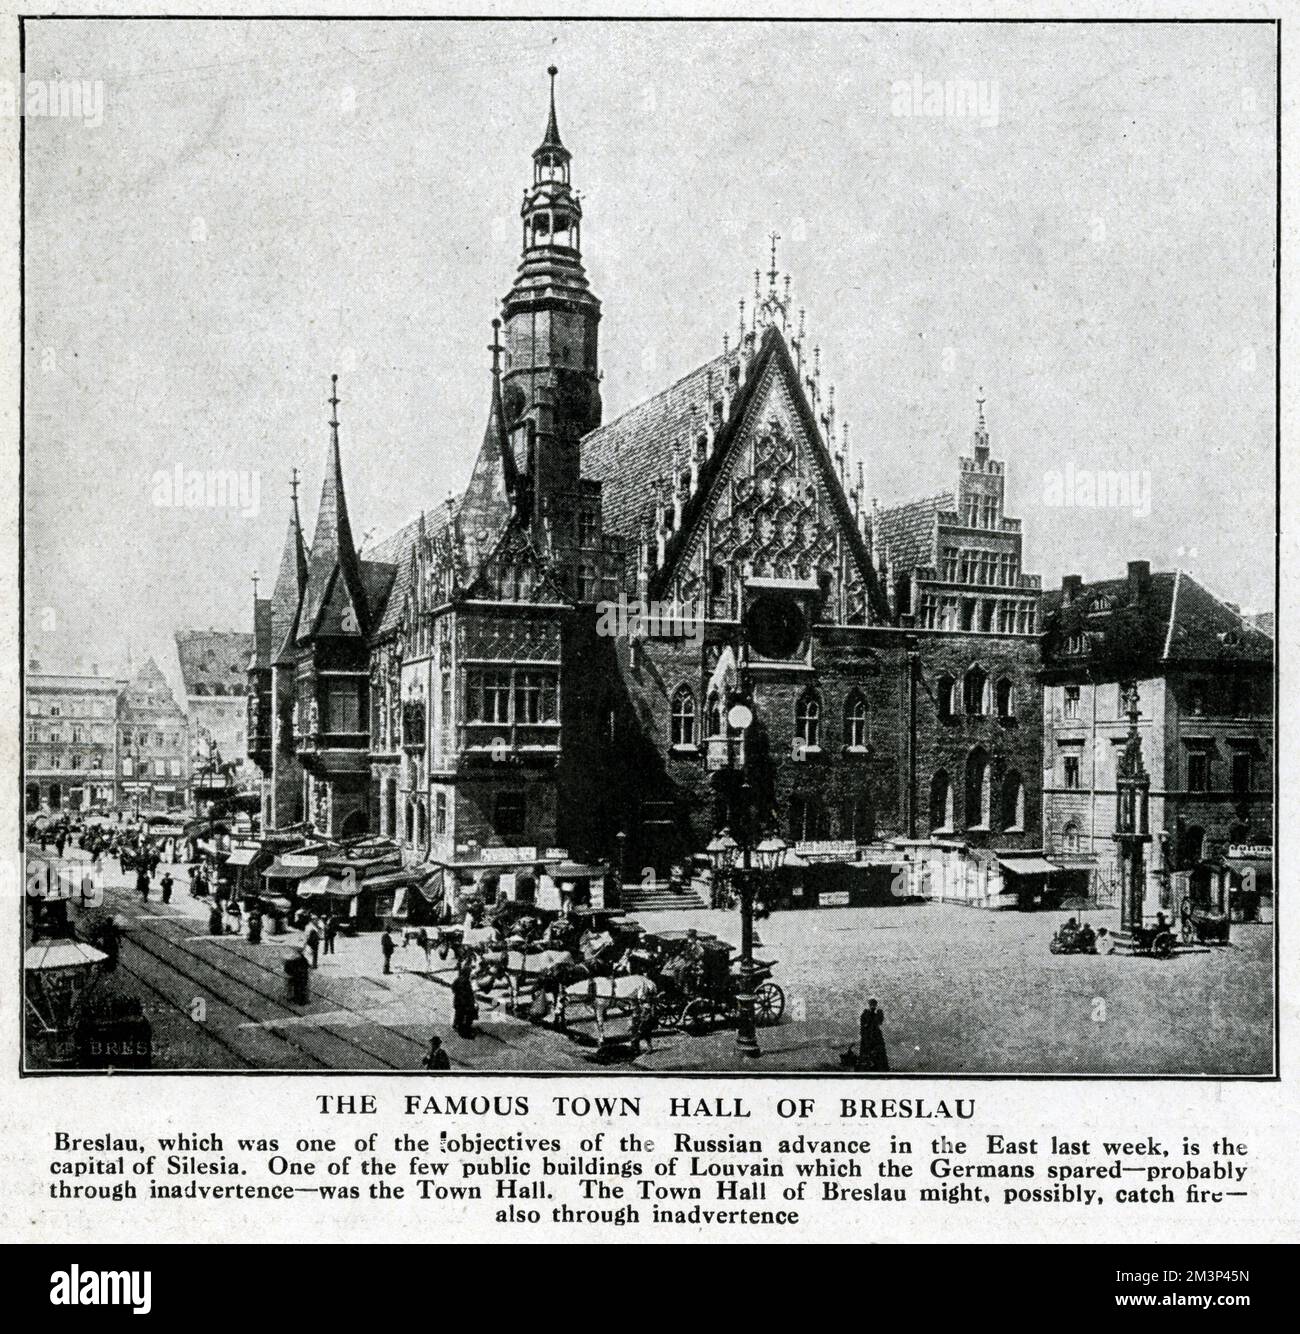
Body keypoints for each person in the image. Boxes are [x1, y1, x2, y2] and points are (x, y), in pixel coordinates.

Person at [858, 998, 889, 1072]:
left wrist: (879, 1014)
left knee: (879, 1051)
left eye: (874, 1005)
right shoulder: (866, 1013)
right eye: (871, 1004)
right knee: (866, 1051)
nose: (872, 1006)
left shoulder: (877, 1014)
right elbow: (863, 1024)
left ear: (875, 1005)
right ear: (869, 1005)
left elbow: (879, 1022)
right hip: (868, 1035)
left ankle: (880, 1067)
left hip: (875, 1035)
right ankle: (865, 1067)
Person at [452, 960, 477, 1038]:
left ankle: (456, 1025)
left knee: (458, 1015)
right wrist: (471, 1003)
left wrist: (457, 994)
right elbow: (468, 993)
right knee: (465, 1016)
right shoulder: (466, 981)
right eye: (469, 973)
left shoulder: (458, 979)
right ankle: (464, 1033)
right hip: (464, 1004)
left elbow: (453, 987)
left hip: (457, 1002)